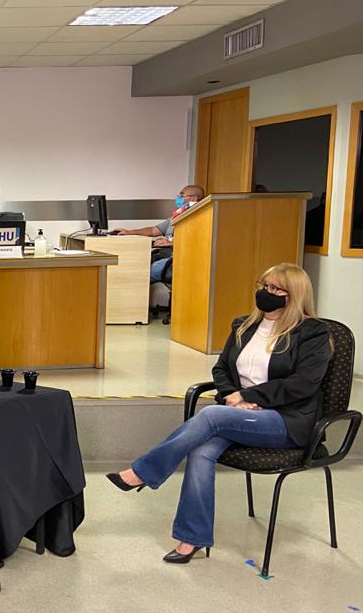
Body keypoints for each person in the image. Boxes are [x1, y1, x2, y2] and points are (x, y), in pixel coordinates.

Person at [107, 263, 331, 563]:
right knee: (201, 450)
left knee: (211, 416)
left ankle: (142, 473)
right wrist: (232, 397)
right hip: (238, 413)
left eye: (275, 289)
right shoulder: (244, 325)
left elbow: (303, 384)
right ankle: (191, 538)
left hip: (285, 420)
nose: (266, 293)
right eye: (264, 285)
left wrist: (248, 396)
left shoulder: (313, 333)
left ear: (295, 295)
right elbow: (221, 368)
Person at [115, 184, 204, 282]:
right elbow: (153, 230)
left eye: (182, 196)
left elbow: (198, 243)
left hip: (178, 260)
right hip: (165, 255)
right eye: (179, 195)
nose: (178, 198)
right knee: (133, 265)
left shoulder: (200, 219)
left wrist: (173, 243)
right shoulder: (176, 217)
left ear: (194, 198)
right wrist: (129, 232)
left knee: (140, 274)